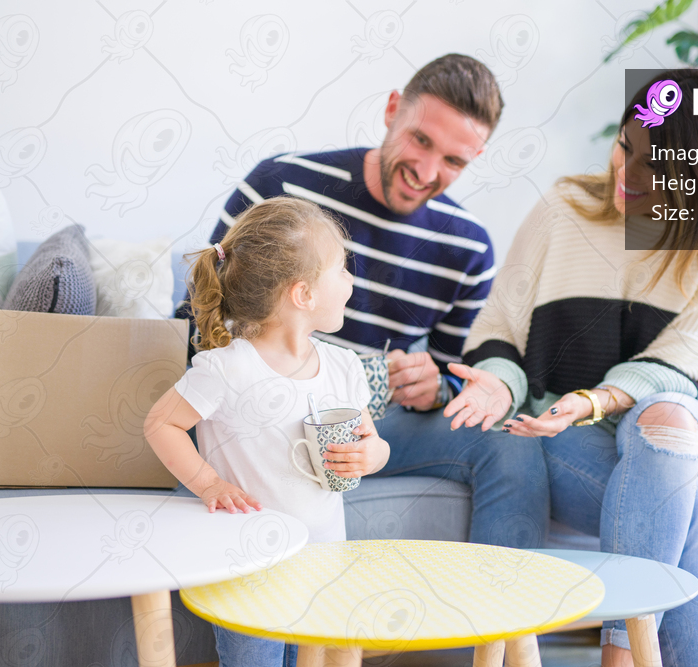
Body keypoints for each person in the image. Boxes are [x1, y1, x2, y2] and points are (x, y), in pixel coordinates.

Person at [440, 69, 698, 666]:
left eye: (654, 166)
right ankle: (625, 656)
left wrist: (594, 400)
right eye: (624, 147)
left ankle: (618, 655)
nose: (626, 173)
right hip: (566, 443)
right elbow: (498, 325)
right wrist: (502, 385)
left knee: (666, 420)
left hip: (654, 438)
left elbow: (683, 364)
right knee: (693, 508)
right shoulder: (563, 210)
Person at [178, 53, 550, 548]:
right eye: (421, 140)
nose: (426, 171)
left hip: (369, 417)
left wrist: (435, 387)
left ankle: (504, 601)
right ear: (393, 109)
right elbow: (199, 317)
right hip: (259, 405)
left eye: (453, 161)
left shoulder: (468, 248)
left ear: (475, 157)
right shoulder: (281, 185)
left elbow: (451, 372)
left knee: (510, 445)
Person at [146, 197, 390, 667]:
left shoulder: (343, 366)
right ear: (303, 295)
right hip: (246, 566)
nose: (352, 280)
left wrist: (373, 454)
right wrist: (209, 484)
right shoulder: (228, 368)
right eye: (342, 269)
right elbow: (161, 423)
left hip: (324, 561)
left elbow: (372, 440)